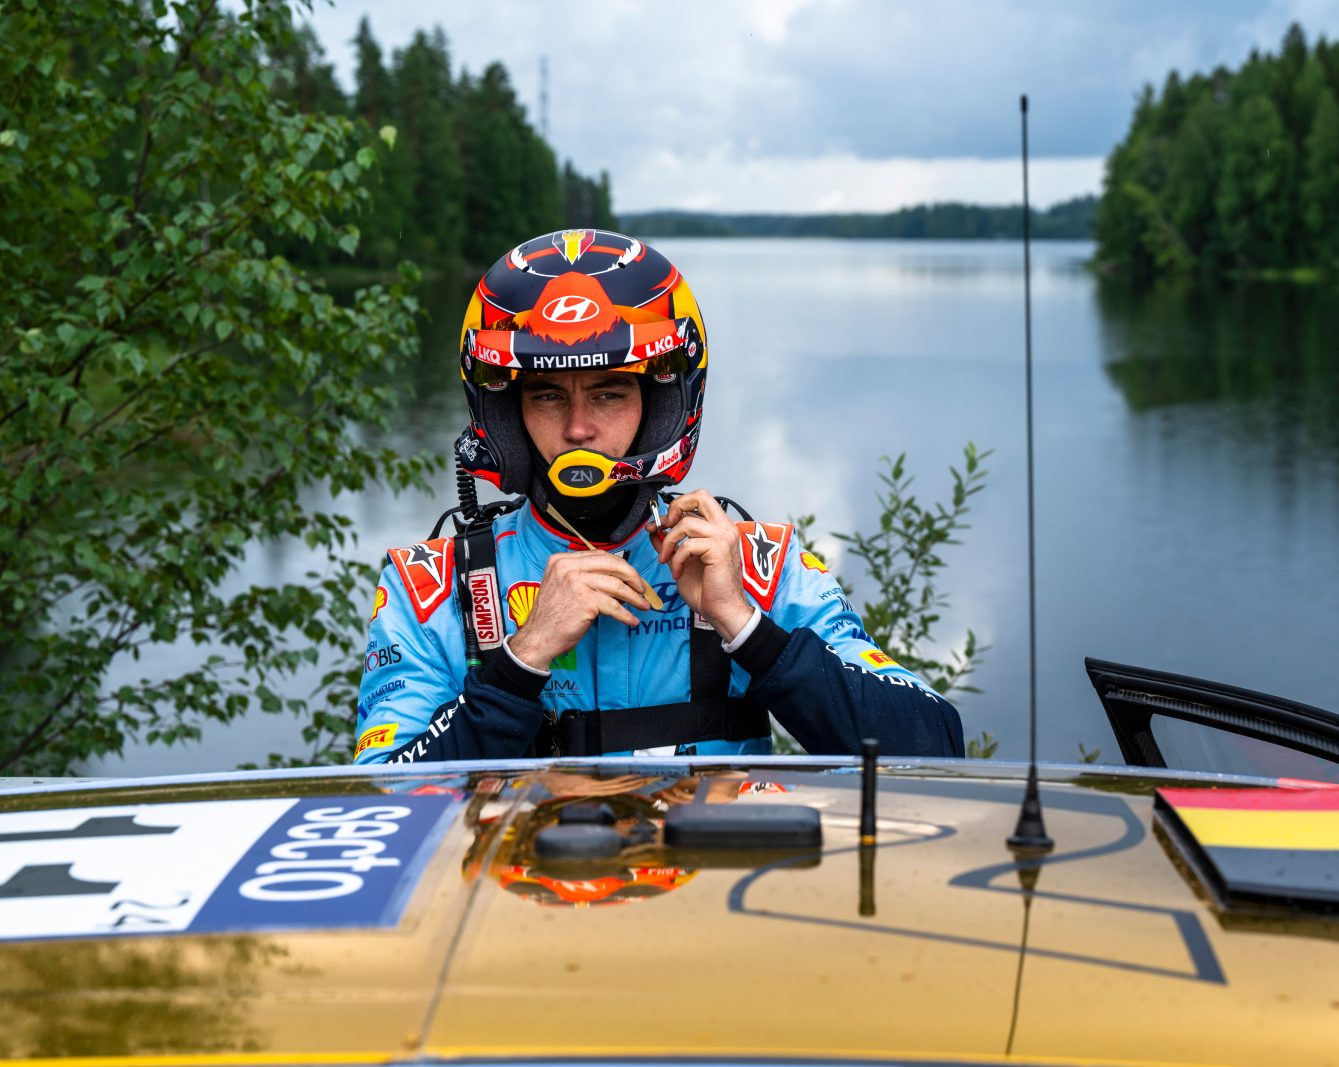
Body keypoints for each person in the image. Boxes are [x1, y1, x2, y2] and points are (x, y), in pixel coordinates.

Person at [354, 229, 964, 764]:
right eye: (547, 396)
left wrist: (746, 627)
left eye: (609, 393)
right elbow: (380, 800)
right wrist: (521, 660)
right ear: (507, 415)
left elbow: (934, 747)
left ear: (662, 407)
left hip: (710, 864)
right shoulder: (433, 586)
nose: (578, 428)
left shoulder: (758, 566)